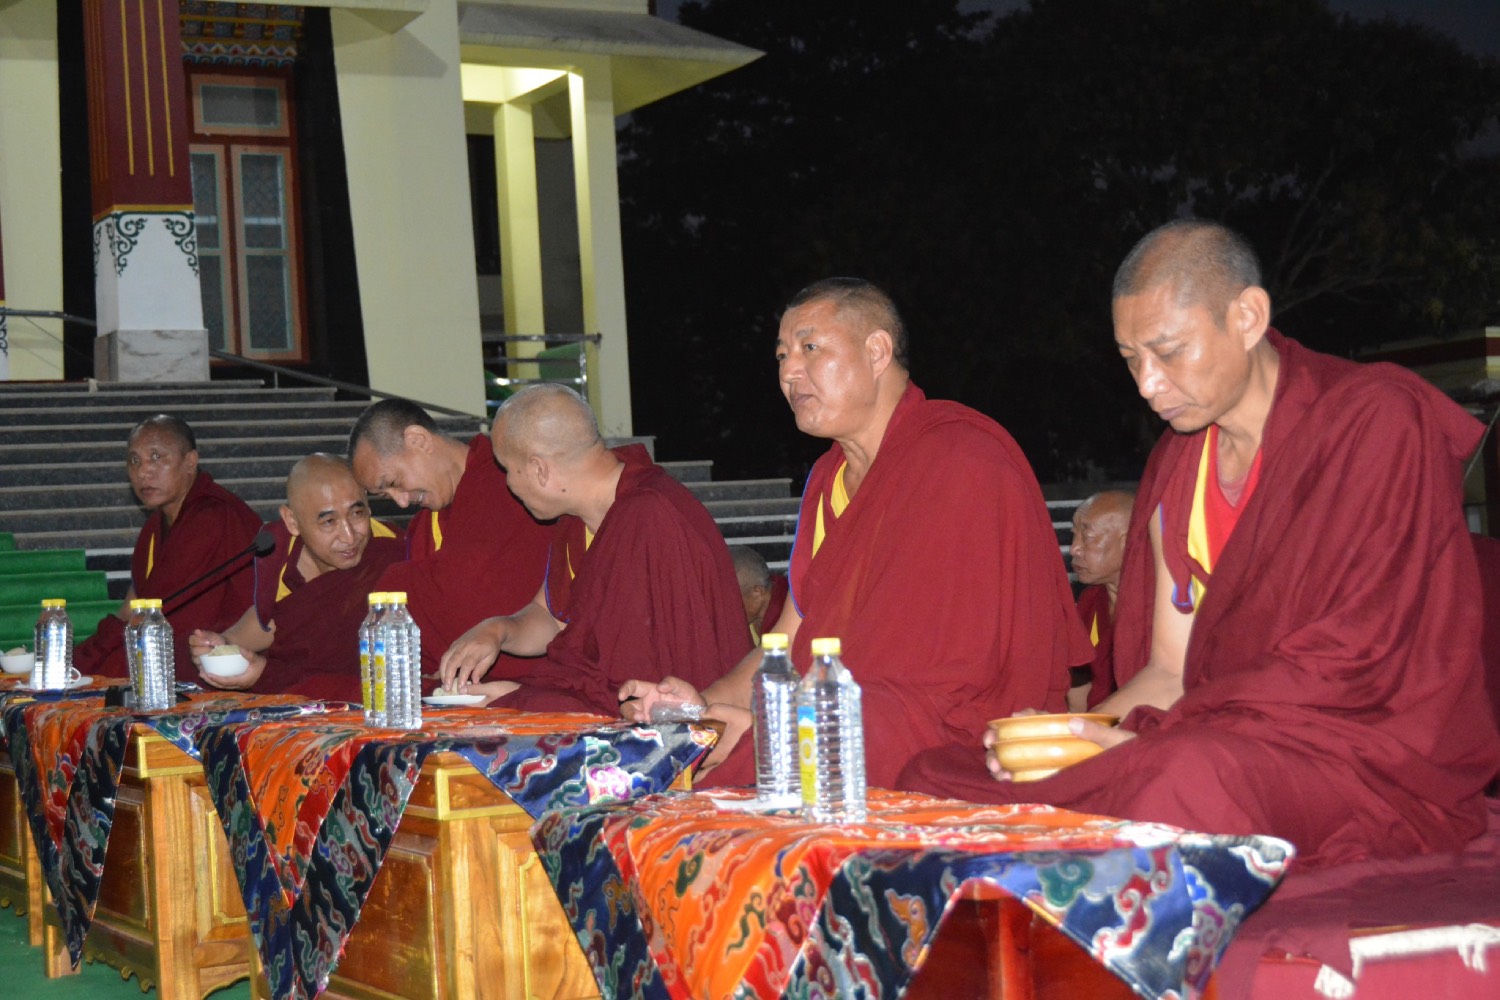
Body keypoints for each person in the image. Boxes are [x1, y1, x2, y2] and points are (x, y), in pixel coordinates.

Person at [900, 220, 1500, 868]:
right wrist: (1073, 735)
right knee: (937, 776)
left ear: (1247, 317)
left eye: (1168, 352)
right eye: (1131, 359)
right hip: (1214, 735)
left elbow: (1352, 660)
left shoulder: (1372, 421)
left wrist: (1153, 741)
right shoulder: (1180, 463)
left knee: (1185, 778)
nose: (1147, 384)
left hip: (1360, 754)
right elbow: (1169, 670)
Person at [619, 278, 1092, 788]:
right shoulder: (828, 480)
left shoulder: (964, 458)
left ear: (877, 351)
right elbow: (786, 644)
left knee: (777, 756)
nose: (789, 371)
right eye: (781, 355)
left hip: (948, 739)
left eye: (810, 348)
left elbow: (956, 683)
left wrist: (784, 728)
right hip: (848, 721)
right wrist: (700, 707)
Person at [437, 384, 753, 714]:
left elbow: (634, 678)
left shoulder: (649, 518)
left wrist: (524, 697)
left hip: (675, 714)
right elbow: (552, 617)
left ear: (539, 469)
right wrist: (498, 630)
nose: (508, 483)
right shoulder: (578, 518)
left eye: (507, 469)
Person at [348, 398, 551, 683]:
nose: (402, 502)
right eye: (386, 496)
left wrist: (403, 584)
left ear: (418, 440)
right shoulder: (423, 526)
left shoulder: (507, 482)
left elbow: (498, 601)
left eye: (393, 483)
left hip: (536, 675)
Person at [187, 454, 405, 701]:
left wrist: (264, 673)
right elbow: (278, 619)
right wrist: (220, 644)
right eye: (329, 521)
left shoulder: (394, 554)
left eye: (357, 513)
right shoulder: (284, 560)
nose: (349, 536)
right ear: (292, 521)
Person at [73, 415, 262, 680]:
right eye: (134, 460)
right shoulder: (154, 529)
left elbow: (174, 621)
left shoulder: (214, 516)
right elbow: (132, 609)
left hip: (214, 658)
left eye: (157, 457)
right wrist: (83, 655)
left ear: (190, 462)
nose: (143, 472)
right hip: (172, 652)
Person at [1066, 489, 1133, 710]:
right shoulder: (1091, 601)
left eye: (1087, 538)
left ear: (1129, 541)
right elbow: (1079, 686)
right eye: (1074, 535)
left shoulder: (1161, 605)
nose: (1074, 549)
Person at [729, 545, 788, 646]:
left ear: (758, 592)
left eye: (732, 600)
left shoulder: (787, 612)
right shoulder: (749, 617)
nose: (728, 608)